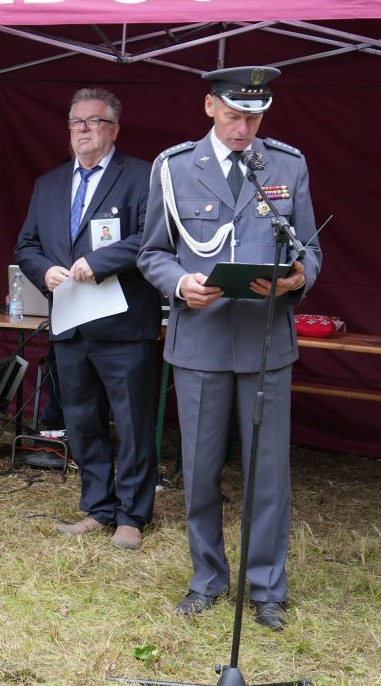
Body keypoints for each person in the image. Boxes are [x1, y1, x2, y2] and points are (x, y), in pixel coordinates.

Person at [138, 66, 322, 631]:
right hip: (202, 339)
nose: (244, 128)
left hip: (266, 340)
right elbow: (152, 252)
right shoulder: (174, 168)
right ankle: (207, 578)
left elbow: (310, 250)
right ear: (209, 106)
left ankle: (266, 587)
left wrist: (297, 279)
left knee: (268, 472)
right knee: (200, 470)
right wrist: (179, 284)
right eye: (235, 115)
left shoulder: (286, 165)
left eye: (254, 118)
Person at [14, 87, 163, 550]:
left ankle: (132, 516)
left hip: (124, 326)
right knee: (82, 420)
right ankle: (99, 508)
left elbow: (153, 237)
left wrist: (100, 261)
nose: (82, 129)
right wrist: (45, 271)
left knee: (132, 423)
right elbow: (26, 245)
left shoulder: (142, 176)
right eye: (76, 121)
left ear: (114, 129)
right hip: (71, 324)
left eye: (93, 121)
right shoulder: (49, 183)